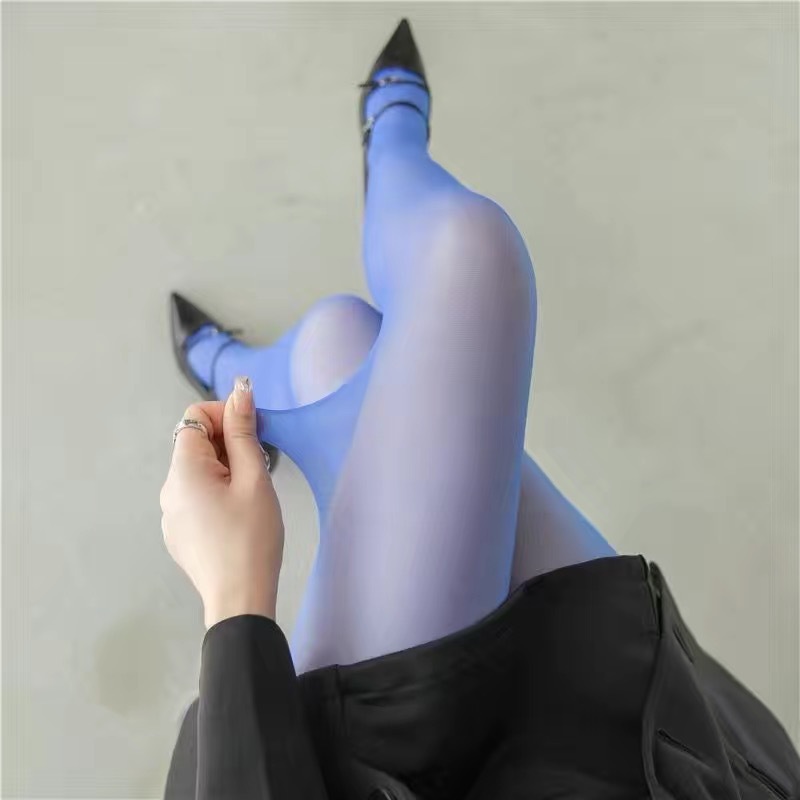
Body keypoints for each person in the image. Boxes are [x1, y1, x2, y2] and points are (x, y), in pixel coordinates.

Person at [160, 19, 800, 800]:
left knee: (422, 288)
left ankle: (247, 371)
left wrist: (234, 597)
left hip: (406, 780)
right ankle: (384, 158)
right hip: (636, 762)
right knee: (371, 325)